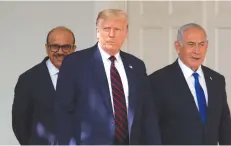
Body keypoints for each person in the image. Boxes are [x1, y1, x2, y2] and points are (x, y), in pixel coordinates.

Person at [54, 9, 161, 145]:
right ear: (97, 31)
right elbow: (63, 111)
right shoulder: (75, 63)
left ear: (126, 33)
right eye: (106, 29)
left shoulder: (136, 66)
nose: (111, 34)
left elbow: (147, 113)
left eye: (117, 29)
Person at [149, 23, 231, 145]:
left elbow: (226, 129)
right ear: (178, 46)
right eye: (191, 44)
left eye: (201, 45)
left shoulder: (217, 80)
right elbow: (151, 131)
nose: (197, 51)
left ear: (207, 46)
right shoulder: (157, 81)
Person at [12, 26, 77, 145]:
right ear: (47, 47)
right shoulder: (28, 79)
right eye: (55, 47)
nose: (60, 52)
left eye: (66, 47)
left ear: (74, 49)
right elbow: (20, 123)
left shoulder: (85, 77)